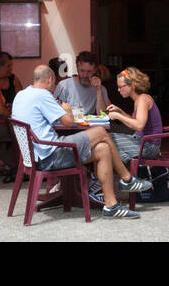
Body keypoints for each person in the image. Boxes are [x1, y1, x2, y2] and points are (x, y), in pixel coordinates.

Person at [11, 65, 151, 219]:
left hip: (35, 157)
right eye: (54, 83)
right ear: (50, 79)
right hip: (51, 156)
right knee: (101, 132)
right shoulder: (43, 95)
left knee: (103, 148)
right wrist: (67, 109)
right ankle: (127, 178)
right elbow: (68, 122)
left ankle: (111, 206)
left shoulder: (21, 94)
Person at [105, 67, 162, 165]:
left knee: (106, 138)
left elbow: (139, 125)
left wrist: (118, 116)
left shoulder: (142, 99)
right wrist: (120, 111)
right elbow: (133, 120)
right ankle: (132, 168)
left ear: (132, 85)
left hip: (148, 146)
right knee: (107, 138)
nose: (118, 90)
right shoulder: (140, 99)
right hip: (143, 142)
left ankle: (129, 171)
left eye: (121, 86)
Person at [53, 50, 110, 115]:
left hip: (91, 124)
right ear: (77, 68)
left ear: (95, 70)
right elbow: (55, 112)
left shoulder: (101, 89)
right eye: (82, 70)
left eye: (89, 71)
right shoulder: (64, 86)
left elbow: (103, 115)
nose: (85, 75)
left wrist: (98, 90)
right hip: (69, 123)